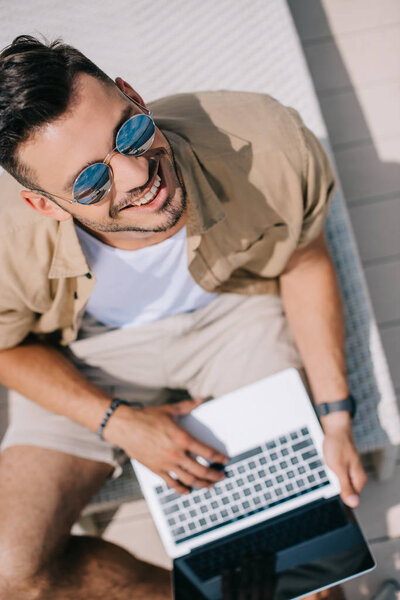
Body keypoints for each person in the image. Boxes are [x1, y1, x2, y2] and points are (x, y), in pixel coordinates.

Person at [0, 35, 367, 600]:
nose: (134, 174)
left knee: (302, 559)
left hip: (232, 311)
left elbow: (303, 254)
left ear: (132, 94)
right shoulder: (6, 239)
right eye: (91, 182)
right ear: (45, 205)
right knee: (8, 569)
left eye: (128, 132)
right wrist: (117, 421)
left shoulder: (266, 139)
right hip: (85, 353)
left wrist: (336, 416)